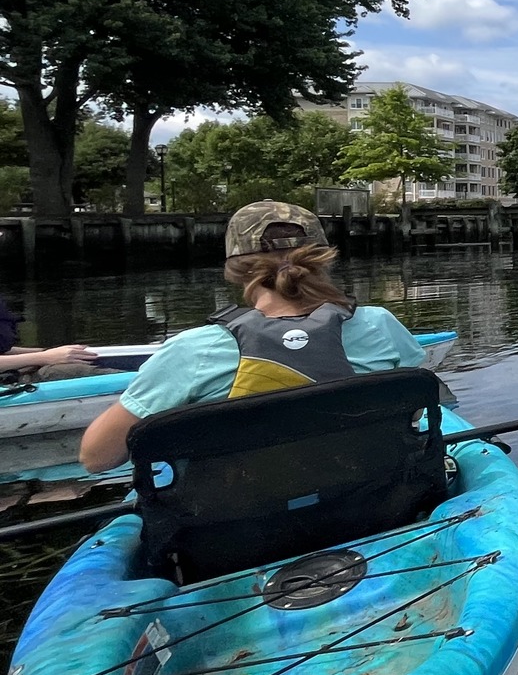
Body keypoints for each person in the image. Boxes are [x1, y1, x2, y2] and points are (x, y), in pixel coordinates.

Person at [79, 202, 425, 473]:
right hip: (372, 502)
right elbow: (412, 413)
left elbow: (97, 458)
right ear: (323, 259)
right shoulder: (381, 326)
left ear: (234, 270)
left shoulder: (194, 350)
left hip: (234, 535)